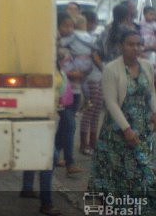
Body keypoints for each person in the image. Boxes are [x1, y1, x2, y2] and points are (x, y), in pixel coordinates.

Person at [88, 28, 156, 198]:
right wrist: (126, 129)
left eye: (139, 44)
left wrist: (155, 112)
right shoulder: (111, 69)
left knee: (143, 171)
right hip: (118, 129)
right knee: (116, 174)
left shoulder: (147, 66)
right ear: (121, 46)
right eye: (130, 44)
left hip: (143, 128)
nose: (135, 48)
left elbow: (151, 92)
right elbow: (111, 102)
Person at [19, 62, 68, 216]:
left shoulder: (54, 63)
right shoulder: (38, 62)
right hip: (36, 115)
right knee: (50, 157)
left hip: (52, 115)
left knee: (36, 152)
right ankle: (46, 203)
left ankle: (27, 188)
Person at [55, 12, 84, 174]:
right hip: (62, 92)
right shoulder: (56, 45)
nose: (69, 29)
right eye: (66, 25)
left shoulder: (75, 44)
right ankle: (69, 162)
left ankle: (54, 154)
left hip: (76, 89)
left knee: (65, 127)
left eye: (72, 25)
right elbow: (57, 68)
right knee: (70, 125)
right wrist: (71, 74)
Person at [77, 11, 104, 156]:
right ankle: (84, 144)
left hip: (97, 77)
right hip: (91, 78)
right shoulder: (85, 39)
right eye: (91, 22)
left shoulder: (89, 38)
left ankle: (92, 143)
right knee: (90, 112)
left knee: (96, 111)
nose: (93, 25)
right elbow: (94, 57)